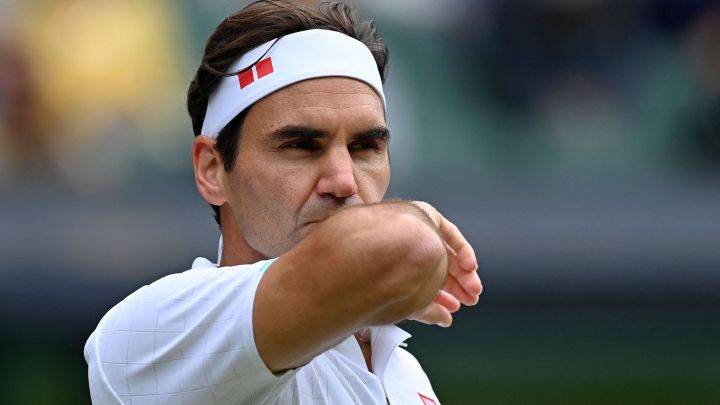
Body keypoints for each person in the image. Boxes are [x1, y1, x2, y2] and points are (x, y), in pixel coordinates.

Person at [84, 1, 482, 404]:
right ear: (211, 169)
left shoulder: (405, 374)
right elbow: (407, 246)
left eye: (365, 147)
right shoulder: (150, 336)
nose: (343, 181)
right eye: (300, 145)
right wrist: (419, 222)